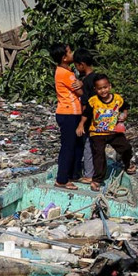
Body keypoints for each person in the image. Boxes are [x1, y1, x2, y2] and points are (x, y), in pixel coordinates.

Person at [77, 74, 133, 189]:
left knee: (126, 147)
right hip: (97, 133)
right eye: (99, 88)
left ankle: (128, 164)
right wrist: (81, 125)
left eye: (105, 87)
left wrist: (124, 116)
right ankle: (97, 180)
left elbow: (125, 108)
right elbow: (86, 114)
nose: (103, 91)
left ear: (110, 86)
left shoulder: (118, 99)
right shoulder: (93, 101)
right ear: (95, 89)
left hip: (114, 132)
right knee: (99, 156)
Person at [50, 43, 84, 189]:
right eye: (69, 52)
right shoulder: (66, 74)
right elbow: (80, 92)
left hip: (72, 113)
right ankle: (62, 179)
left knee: (76, 145)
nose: (72, 54)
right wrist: (83, 84)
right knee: (68, 147)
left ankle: (72, 174)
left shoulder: (65, 71)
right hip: (68, 113)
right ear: (64, 57)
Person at [73, 49, 98, 181]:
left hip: (89, 119)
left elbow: (87, 103)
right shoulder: (96, 78)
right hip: (99, 119)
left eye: (77, 65)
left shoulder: (87, 81)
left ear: (81, 65)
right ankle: (98, 173)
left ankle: (89, 175)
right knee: (97, 147)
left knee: (88, 146)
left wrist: (81, 122)